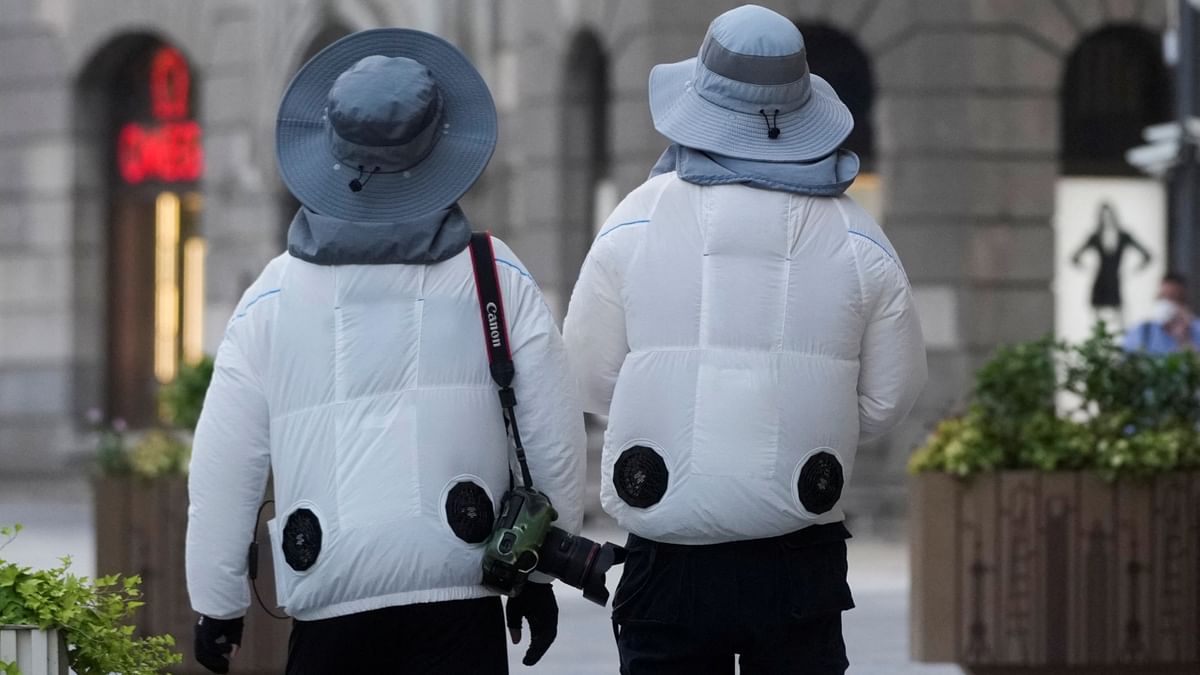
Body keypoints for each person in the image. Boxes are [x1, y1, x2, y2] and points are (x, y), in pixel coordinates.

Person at [185, 29, 585, 675]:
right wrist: (540, 575)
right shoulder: (492, 273)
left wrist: (218, 601)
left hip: (329, 588)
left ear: (330, 150)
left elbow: (223, 465)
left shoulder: (272, 294)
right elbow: (552, 437)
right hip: (459, 584)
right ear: (442, 150)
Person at [563, 6, 927, 674]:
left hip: (666, 550)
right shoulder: (860, 239)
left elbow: (588, 377)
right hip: (798, 552)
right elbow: (887, 400)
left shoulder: (632, 220)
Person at [1123, 273, 1200, 354]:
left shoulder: (1196, 329)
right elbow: (1128, 361)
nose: (1165, 303)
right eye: (1162, 297)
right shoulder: (1142, 330)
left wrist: (1184, 338)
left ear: (1183, 303)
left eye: (1172, 298)